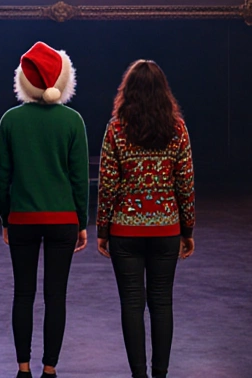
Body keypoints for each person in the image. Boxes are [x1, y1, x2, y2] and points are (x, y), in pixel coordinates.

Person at [96, 60, 196, 378]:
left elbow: (108, 183)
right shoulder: (177, 129)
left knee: (132, 304)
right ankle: (160, 374)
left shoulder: (116, 129)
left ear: (128, 92)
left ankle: (138, 375)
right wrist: (187, 228)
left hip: (125, 230)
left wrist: (102, 229)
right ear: (163, 92)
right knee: (162, 303)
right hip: (166, 228)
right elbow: (186, 182)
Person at [0, 42, 90, 378]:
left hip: (21, 219)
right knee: (56, 296)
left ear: (24, 80)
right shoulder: (73, 121)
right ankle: (49, 369)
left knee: (23, 293)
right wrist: (82, 221)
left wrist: (5, 218)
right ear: (63, 80)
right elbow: (80, 178)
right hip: (63, 220)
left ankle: (23, 368)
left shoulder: (9, 120)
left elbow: (3, 177)